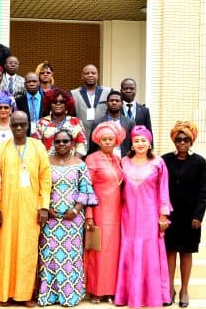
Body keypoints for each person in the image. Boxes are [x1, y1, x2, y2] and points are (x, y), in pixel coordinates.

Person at [0, 111, 51, 307]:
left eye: (22, 125)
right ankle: (5, 293)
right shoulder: (1, 148)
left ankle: (26, 294)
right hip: (7, 208)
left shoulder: (38, 147)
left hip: (31, 209)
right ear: (10, 125)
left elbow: (45, 178)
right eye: (15, 125)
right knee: (6, 249)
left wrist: (44, 207)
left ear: (29, 126)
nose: (19, 128)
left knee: (27, 251)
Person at [37, 129, 97, 307]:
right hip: (50, 218)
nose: (61, 145)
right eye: (58, 142)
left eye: (65, 141)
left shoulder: (80, 164)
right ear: (53, 144)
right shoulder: (45, 163)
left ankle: (69, 296)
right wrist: (47, 209)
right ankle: (48, 296)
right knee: (49, 255)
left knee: (70, 256)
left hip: (73, 219)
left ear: (72, 144)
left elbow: (86, 189)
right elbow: (40, 188)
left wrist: (77, 209)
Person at [115, 125, 172, 308]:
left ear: (149, 143)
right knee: (130, 251)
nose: (140, 144)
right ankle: (128, 296)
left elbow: (164, 190)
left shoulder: (158, 163)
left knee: (149, 254)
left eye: (143, 140)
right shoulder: (123, 162)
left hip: (150, 217)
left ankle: (151, 297)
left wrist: (163, 215)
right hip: (129, 216)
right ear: (131, 144)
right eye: (136, 141)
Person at [164, 121, 206, 308]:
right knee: (170, 252)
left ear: (192, 141)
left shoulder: (199, 161)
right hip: (170, 215)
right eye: (179, 139)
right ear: (174, 140)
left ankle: (184, 290)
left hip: (190, 217)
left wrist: (198, 216)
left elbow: (203, 191)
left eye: (186, 139)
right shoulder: (165, 159)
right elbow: (160, 188)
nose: (182, 142)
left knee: (187, 252)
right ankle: (169, 289)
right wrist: (162, 214)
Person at [84, 121, 126, 304]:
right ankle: (96, 291)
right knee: (98, 251)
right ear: (98, 141)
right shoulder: (92, 159)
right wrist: (89, 215)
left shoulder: (118, 160)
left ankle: (111, 290)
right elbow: (87, 189)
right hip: (99, 212)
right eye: (104, 139)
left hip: (118, 213)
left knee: (114, 252)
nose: (108, 142)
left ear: (116, 141)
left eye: (110, 139)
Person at [33, 88, 88, 157]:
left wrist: (73, 161)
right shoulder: (41, 123)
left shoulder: (76, 122)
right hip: (48, 164)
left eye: (61, 102)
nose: (58, 104)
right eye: (54, 102)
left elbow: (82, 145)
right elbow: (36, 146)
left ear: (67, 104)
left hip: (72, 164)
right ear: (49, 104)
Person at [89, 90, 135, 156]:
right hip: (103, 160)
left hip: (124, 160)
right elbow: (92, 147)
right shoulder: (97, 123)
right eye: (111, 100)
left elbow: (132, 145)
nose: (114, 102)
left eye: (117, 101)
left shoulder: (130, 123)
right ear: (107, 103)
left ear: (122, 104)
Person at [70, 64, 111, 138]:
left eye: (93, 73)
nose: (90, 75)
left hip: (103, 136)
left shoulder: (108, 92)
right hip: (81, 135)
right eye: (87, 73)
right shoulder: (73, 93)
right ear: (82, 76)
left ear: (97, 75)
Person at [15, 72, 44, 136]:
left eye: (34, 81)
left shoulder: (46, 99)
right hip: (25, 136)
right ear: (25, 84)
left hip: (43, 135)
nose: (31, 84)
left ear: (39, 83)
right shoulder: (18, 101)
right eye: (29, 82)